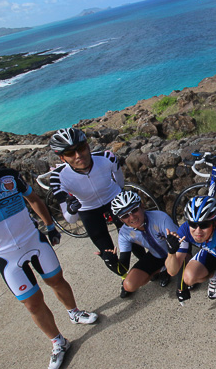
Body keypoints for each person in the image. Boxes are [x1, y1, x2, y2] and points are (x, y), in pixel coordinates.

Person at [0, 131, 97, 369]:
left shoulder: (9, 177)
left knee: (57, 281)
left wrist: (49, 225)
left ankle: (74, 313)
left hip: (34, 241)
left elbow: (33, 199)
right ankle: (58, 341)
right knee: (33, 305)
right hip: (6, 257)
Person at [49, 127, 146, 298]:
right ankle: (125, 278)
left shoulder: (107, 158)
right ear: (62, 157)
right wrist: (73, 208)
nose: (78, 155)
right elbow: (70, 219)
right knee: (107, 252)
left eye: (80, 148)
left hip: (114, 200)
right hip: (87, 209)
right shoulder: (59, 178)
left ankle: (149, 268)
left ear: (87, 146)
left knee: (135, 238)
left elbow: (120, 182)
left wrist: (118, 197)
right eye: (70, 153)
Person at [164, 196, 216, 340]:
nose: (197, 230)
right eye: (193, 224)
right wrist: (171, 253)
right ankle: (214, 276)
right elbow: (172, 270)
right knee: (188, 277)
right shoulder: (185, 230)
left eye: (204, 224)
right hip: (213, 253)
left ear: (214, 223)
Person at [109, 190, 174, 298]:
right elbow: (123, 267)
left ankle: (169, 269)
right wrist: (112, 262)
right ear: (120, 219)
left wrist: (182, 284)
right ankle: (163, 269)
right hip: (156, 256)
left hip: (175, 253)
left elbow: (182, 244)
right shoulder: (124, 233)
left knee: (185, 273)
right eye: (125, 216)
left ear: (142, 206)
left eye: (134, 210)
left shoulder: (160, 217)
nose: (132, 217)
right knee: (129, 285)